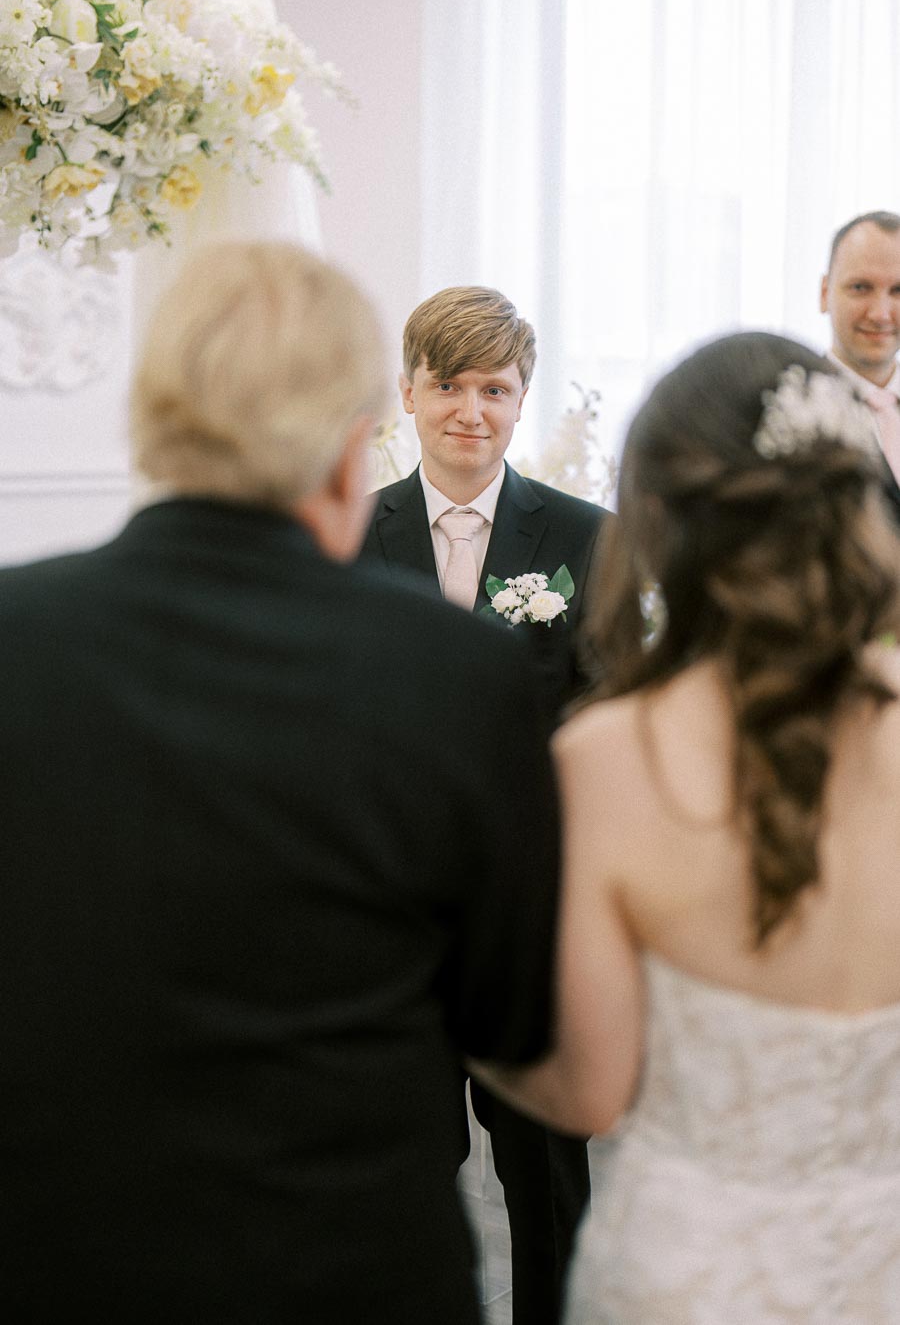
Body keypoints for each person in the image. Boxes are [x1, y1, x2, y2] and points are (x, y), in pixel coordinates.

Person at [0, 242, 564, 1324]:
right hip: (349, 1263)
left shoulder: (14, 639)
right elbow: (514, 1023)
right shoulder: (454, 675)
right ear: (358, 442)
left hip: (59, 1256)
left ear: (153, 413)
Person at [473, 331, 900, 1323]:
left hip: (685, 1277)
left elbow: (589, 1095)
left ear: (656, 522)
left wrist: (458, 992)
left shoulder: (610, 759)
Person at [361, 285, 610, 1325]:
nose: (472, 409)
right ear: (409, 392)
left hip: (530, 910)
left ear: (521, 400)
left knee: (545, 1165)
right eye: (450, 385)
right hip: (395, 914)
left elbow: (609, 712)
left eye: (495, 389)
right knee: (398, 1164)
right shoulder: (351, 533)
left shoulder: (589, 538)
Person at [821, 209, 900, 509]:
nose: (880, 314)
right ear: (824, 293)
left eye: (899, 290)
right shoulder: (786, 410)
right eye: (860, 288)